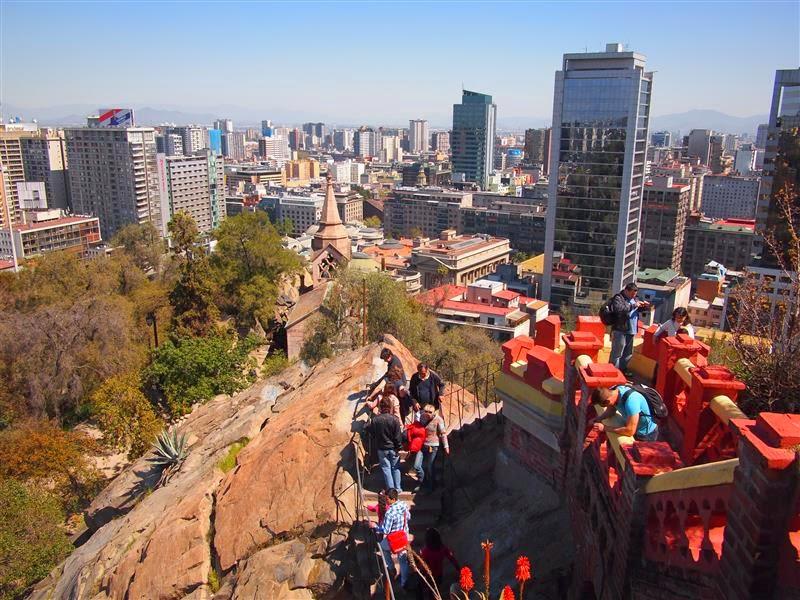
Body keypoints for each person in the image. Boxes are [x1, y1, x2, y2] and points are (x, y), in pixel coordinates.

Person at [588, 385, 658, 441]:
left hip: (646, 434)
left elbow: (630, 431)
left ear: (607, 401)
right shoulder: (614, 392)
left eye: (602, 405)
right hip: (635, 428)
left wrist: (604, 428)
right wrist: (599, 418)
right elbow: (611, 411)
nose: (604, 407)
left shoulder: (631, 402)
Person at [607, 283, 650, 374]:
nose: (633, 296)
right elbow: (619, 309)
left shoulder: (635, 299)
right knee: (617, 352)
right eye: (632, 293)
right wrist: (634, 305)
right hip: (620, 329)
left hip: (632, 329)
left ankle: (623, 369)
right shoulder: (619, 298)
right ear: (626, 291)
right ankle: (613, 371)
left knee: (628, 352)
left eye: (635, 294)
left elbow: (637, 310)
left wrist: (644, 307)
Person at [373, 488, 411, 588]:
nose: (386, 501)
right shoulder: (403, 505)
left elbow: (386, 530)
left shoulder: (389, 513)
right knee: (403, 561)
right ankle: (404, 582)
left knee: (382, 547)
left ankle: (391, 568)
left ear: (393, 499)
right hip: (404, 536)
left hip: (394, 539)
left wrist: (375, 526)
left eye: (387, 499)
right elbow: (409, 517)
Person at [368, 397, 404, 491]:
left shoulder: (375, 419)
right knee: (396, 468)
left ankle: (391, 490)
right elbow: (397, 436)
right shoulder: (395, 419)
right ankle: (398, 488)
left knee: (386, 468)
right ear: (390, 406)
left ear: (380, 406)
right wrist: (399, 447)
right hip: (393, 448)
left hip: (381, 448)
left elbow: (372, 433)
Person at [413, 404, 449, 492]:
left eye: (430, 412)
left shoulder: (438, 419)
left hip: (433, 446)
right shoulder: (422, 417)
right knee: (417, 465)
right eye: (426, 411)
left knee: (430, 467)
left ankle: (430, 486)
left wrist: (446, 446)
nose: (427, 414)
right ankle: (423, 481)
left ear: (433, 412)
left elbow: (443, 433)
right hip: (422, 445)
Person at [417, 528, 459, 600]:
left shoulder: (425, 552)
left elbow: (421, 565)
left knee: (420, 588)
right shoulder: (443, 548)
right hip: (439, 575)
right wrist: (458, 569)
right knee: (434, 592)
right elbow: (452, 558)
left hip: (428, 575)